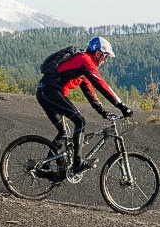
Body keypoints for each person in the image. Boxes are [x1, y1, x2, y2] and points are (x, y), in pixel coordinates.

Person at [36, 36, 133, 175]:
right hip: (49, 91)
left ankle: (45, 167)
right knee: (80, 121)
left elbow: (89, 92)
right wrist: (122, 106)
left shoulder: (82, 67)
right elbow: (101, 84)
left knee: (64, 133)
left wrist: (102, 111)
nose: (105, 60)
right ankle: (78, 162)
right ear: (98, 53)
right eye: (105, 56)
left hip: (45, 91)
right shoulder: (84, 60)